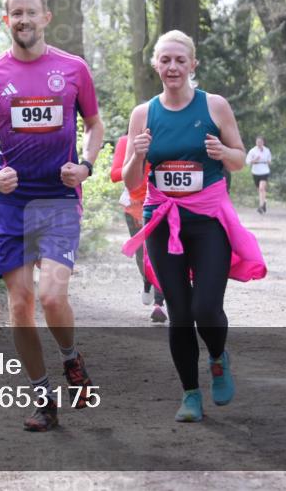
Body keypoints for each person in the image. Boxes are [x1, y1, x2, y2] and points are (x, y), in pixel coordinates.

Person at [0, 0, 104, 432]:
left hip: (60, 197)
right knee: (21, 303)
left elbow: (95, 125)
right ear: (6, 20)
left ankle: (71, 359)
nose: (23, 20)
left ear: (46, 17)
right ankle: (43, 397)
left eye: (31, 12)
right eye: (15, 13)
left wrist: (85, 165)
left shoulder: (74, 69)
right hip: (13, 203)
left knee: (51, 296)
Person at [120, 30, 267, 423]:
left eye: (179, 60)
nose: (172, 67)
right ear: (156, 65)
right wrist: (138, 155)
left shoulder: (214, 106)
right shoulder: (143, 113)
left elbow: (239, 160)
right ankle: (190, 395)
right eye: (165, 60)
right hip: (161, 219)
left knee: (206, 307)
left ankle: (218, 357)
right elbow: (131, 182)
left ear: (192, 65)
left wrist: (223, 151)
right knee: (180, 313)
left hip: (206, 221)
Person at [110, 134, 166, 323]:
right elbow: (115, 174)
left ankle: (159, 303)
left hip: (163, 205)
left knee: (161, 253)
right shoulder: (126, 142)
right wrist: (138, 158)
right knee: (143, 254)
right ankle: (147, 282)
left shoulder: (166, 137)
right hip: (135, 207)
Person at [245, 136, 272, 213]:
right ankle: (264, 202)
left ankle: (260, 206)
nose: (259, 143)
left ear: (263, 142)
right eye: (258, 142)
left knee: (261, 188)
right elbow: (247, 161)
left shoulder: (267, 150)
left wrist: (268, 162)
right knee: (259, 189)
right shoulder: (252, 151)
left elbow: (270, 160)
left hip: (265, 171)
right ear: (256, 142)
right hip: (256, 171)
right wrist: (254, 160)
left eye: (260, 142)